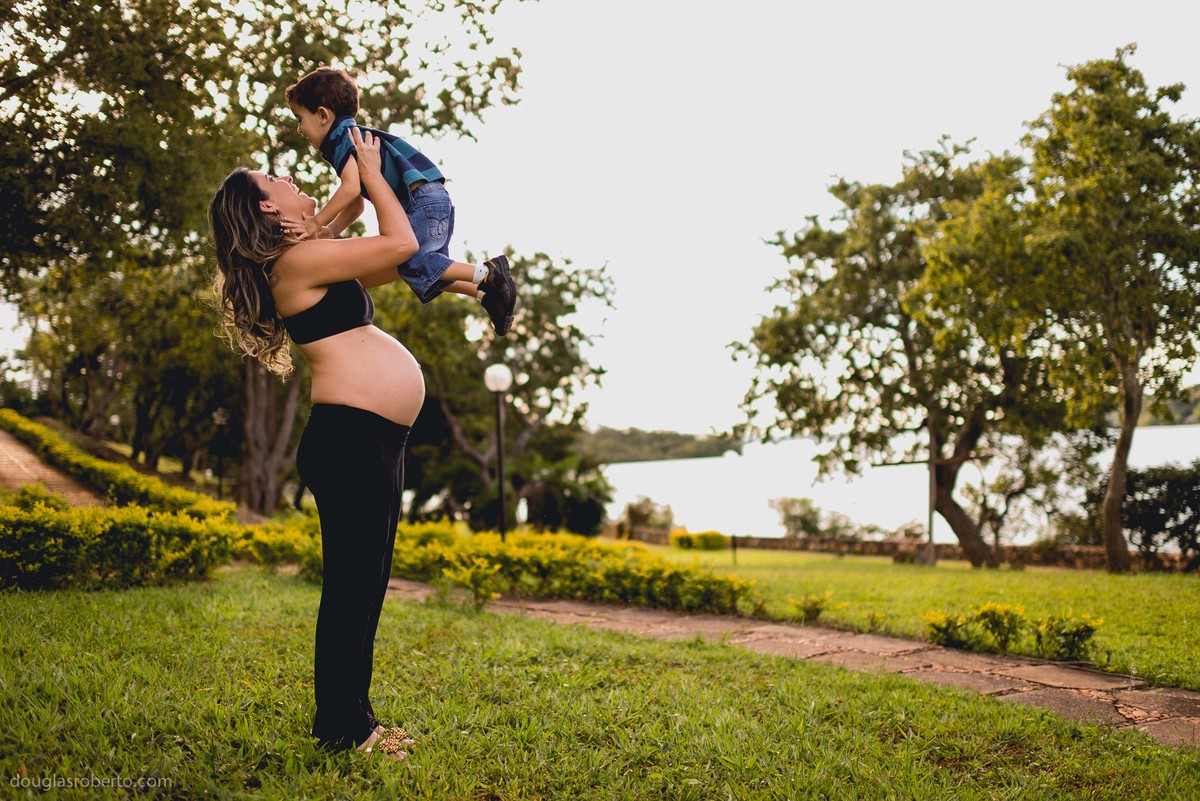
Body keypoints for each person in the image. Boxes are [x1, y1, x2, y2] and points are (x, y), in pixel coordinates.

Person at [208, 127, 423, 760]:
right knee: (353, 589)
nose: (291, 181)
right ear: (266, 207)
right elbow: (403, 242)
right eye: (277, 181)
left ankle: (357, 721)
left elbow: (354, 207)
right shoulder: (296, 262)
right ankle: (343, 730)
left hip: (372, 436)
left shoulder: (308, 251)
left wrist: (357, 166)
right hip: (351, 438)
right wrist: (378, 176)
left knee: (368, 584)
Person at [284, 65, 517, 336]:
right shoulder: (348, 138)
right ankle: (485, 293)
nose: (299, 129)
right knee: (425, 271)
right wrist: (331, 231)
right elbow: (357, 204)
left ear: (323, 115)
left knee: (412, 262)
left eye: (299, 118)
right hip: (431, 199)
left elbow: (349, 190)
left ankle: (489, 274)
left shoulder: (343, 140)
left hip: (422, 202)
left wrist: (314, 224)